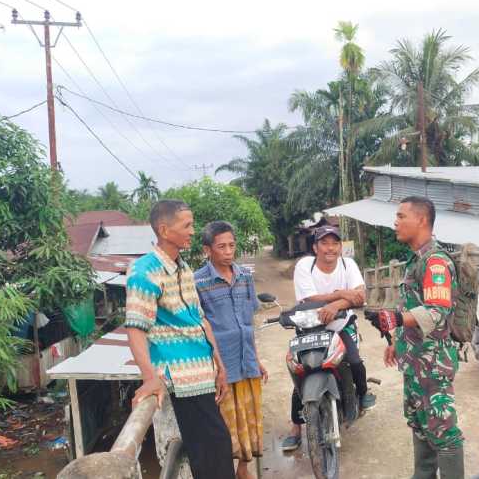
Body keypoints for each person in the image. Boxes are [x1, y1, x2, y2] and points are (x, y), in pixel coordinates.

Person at [124, 200, 236, 479]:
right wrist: (150, 377)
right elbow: (136, 328)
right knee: (213, 453)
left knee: (216, 450)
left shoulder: (183, 268)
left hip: (203, 373)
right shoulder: (144, 271)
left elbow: (201, 320)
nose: (192, 231)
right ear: (164, 229)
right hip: (183, 377)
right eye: (186, 225)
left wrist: (219, 366)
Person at [372, 196, 464, 479]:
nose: (395, 222)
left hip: (433, 364)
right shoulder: (417, 260)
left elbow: (436, 311)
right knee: (421, 426)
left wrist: (396, 319)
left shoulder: (435, 262)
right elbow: (412, 306)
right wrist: (395, 341)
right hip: (415, 360)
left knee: (443, 431)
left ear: (422, 220)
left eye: (401, 216)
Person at [280, 225, 375, 452]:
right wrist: (343, 294)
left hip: (341, 324)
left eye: (334, 243)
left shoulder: (347, 264)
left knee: (354, 363)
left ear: (340, 247)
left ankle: (362, 394)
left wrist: (335, 305)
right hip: (310, 326)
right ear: (315, 247)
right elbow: (310, 298)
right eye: (324, 243)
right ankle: (296, 427)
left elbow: (360, 296)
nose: (330, 248)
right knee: (302, 371)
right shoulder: (305, 265)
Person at [194, 221, 268, 479]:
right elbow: (201, 326)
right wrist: (216, 367)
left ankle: (244, 469)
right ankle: (227, 470)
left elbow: (250, 322)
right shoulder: (198, 282)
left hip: (247, 360)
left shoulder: (245, 277)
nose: (228, 251)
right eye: (221, 246)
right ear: (207, 250)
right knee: (225, 424)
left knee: (250, 418)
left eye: (232, 245)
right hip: (221, 365)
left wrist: (257, 359)